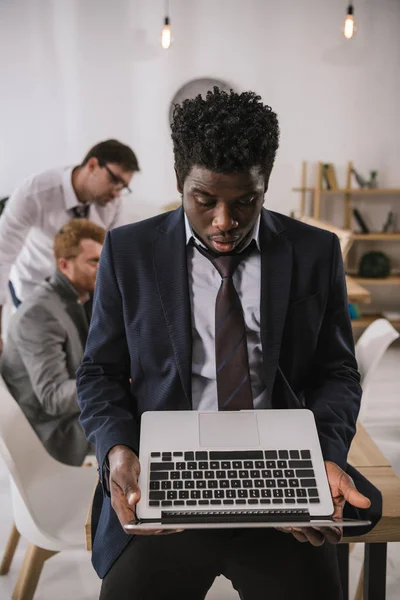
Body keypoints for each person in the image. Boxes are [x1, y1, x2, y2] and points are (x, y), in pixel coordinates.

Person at [77, 88, 376, 599]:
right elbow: (100, 372)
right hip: (168, 478)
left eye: (245, 201)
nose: (224, 222)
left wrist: (324, 456)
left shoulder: (315, 251)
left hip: (281, 475)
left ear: (266, 185)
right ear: (179, 182)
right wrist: (118, 449)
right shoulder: (128, 251)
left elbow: (337, 372)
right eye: (205, 199)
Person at [0, 138, 139, 353]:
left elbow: (117, 258)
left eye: (123, 187)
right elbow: (3, 254)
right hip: (34, 285)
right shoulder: (35, 192)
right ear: (92, 165)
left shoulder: (112, 203)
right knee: (45, 354)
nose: (117, 192)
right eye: (114, 180)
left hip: (83, 292)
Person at [1, 219, 105, 466]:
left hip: (74, 418)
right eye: (94, 261)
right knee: (142, 431)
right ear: (64, 265)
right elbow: (53, 397)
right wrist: (114, 384)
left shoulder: (81, 298)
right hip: (55, 433)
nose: (103, 268)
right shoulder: (38, 314)